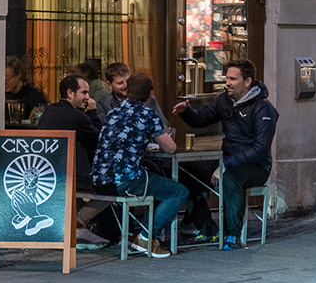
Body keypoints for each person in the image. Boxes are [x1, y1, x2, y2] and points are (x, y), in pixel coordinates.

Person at [173, 59, 279, 251]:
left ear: (247, 82)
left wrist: (225, 165)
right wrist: (186, 111)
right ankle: (207, 228)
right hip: (228, 161)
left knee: (230, 179)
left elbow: (260, 149)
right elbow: (200, 119)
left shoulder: (263, 108)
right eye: (226, 78)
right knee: (186, 171)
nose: (227, 83)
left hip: (256, 166)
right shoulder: (224, 100)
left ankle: (232, 234)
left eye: (232, 79)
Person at [92, 72, 189, 258]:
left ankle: (141, 236)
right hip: (126, 179)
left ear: (127, 90)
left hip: (100, 178)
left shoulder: (113, 112)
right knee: (178, 191)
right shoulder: (146, 114)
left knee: (152, 179)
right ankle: (146, 237)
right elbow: (170, 148)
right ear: (150, 94)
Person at [37, 74, 111, 248]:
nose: (88, 97)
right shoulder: (78, 117)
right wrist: (93, 112)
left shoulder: (49, 111)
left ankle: (79, 230)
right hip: (73, 176)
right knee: (110, 189)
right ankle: (76, 223)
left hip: (48, 174)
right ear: (70, 93)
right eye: (84, 92)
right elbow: (99, 141)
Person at [96, 62, 169, 129]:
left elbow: (163, 125)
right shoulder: (103, 104)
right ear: (109, 85)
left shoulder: (146, 98)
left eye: (127, 81)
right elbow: (106, 130)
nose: (125, 86)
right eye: (120, 83)